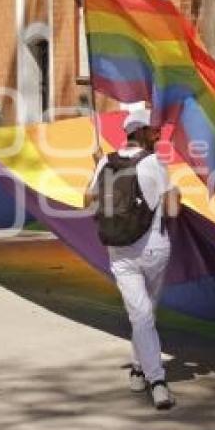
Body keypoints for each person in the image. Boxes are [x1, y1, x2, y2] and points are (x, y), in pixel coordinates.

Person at [85, 108, 181, 410]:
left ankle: (139, 370)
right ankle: (157, 380)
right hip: (153, 250)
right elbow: (173, 211)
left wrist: (95, 167)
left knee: (141, 317)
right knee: (144, 315)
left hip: (119, 252)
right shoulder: (155, 163)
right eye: (153, 131)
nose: (158, 135)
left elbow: (87, 200)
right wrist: (174, 190)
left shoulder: (106, 162)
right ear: (140, 132)